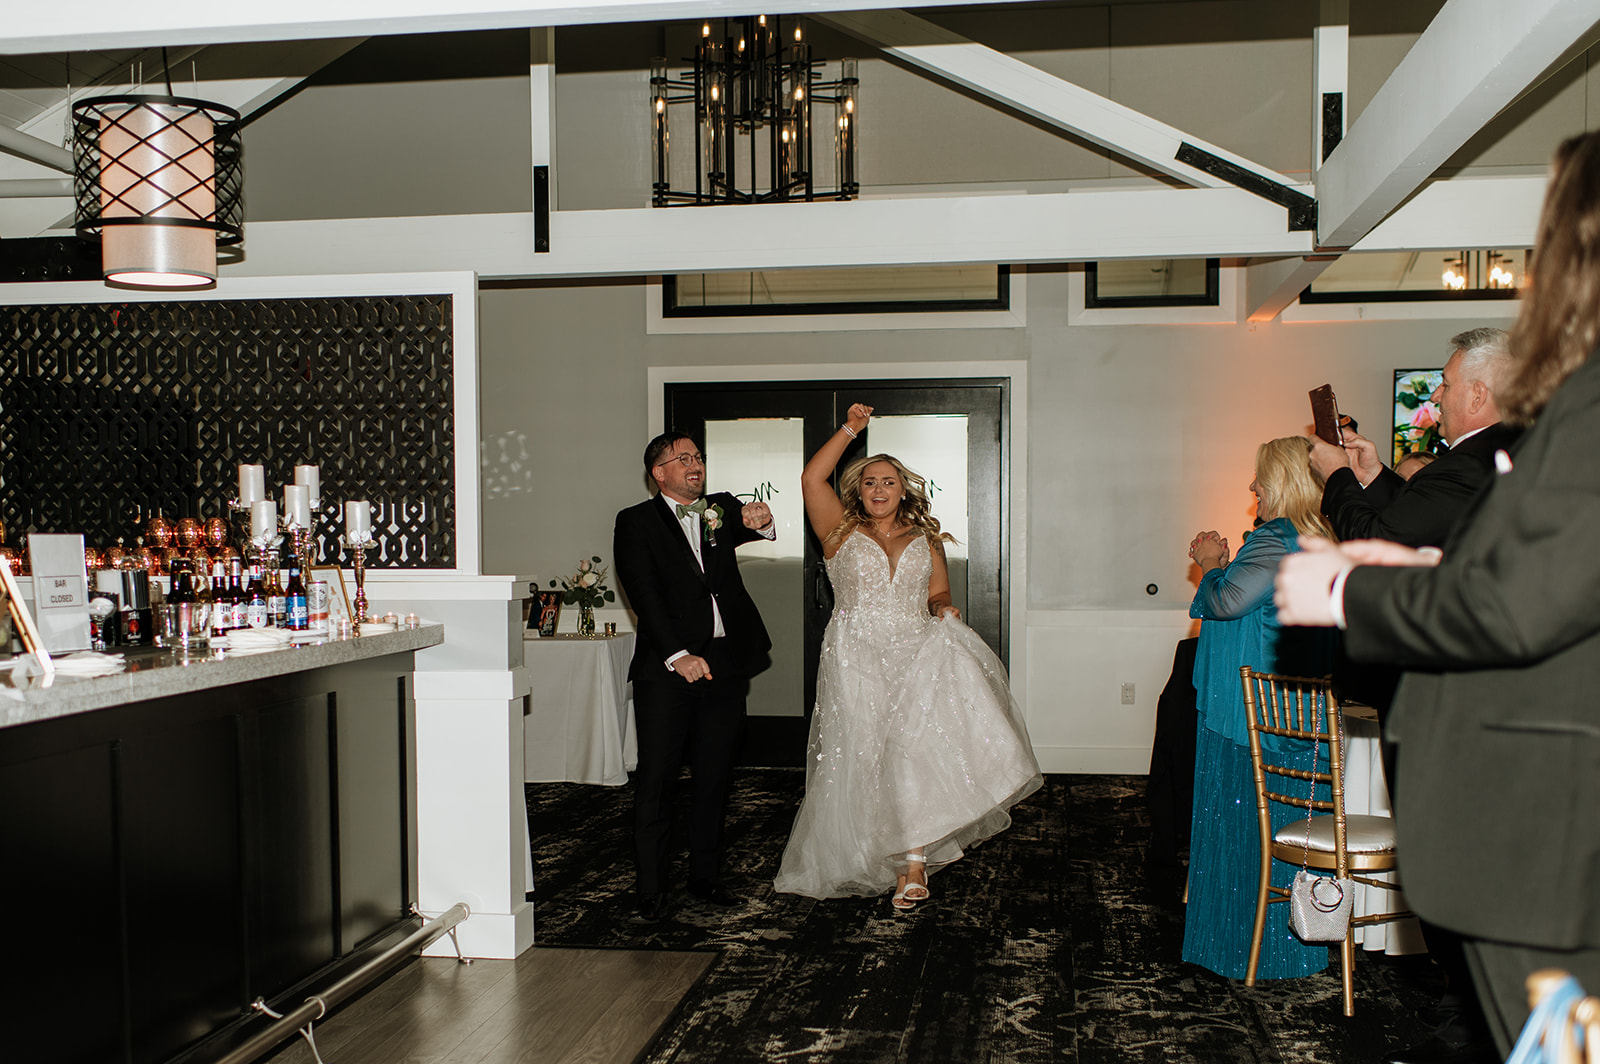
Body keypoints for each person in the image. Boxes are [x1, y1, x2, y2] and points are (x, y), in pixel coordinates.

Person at [1275, 130, 1600, 1057]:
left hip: (1537, 816)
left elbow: (1512, 602)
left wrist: (1346, 592)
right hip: (1535, 798)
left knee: (1556, 1049)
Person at [773, 403, 1040, 910]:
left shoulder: (926, 536)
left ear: (904, 489)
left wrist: (945, 610)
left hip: (916, 651)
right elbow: (811, 476)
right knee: (863, 752)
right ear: (858, 489)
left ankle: (912, 862)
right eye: (870, 481)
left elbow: (937, 593)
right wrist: (852, 429)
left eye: (889, 482)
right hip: (855, 655)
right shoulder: (838, 531)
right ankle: (861, 849)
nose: (878, 489)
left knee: (910, 752)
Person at [1182, 437, 1337, 980]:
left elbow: (1228, 602)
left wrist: (1208, 565)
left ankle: (1240, 949)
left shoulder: (1277, 537)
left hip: (1253, 717)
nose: (1252, 488)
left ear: (1282, 482)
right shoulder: (1323, 539)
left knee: (1245, 829)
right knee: (1292, 829)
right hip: (1302, 711)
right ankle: (1298, 947)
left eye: (1259, 479)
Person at [613, 432, 776, 922]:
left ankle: (705, 878)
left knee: (714, 777)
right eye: (681, 459)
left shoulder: (719, 509)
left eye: (698, 457)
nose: (694, 464)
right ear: (658, 473)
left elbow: (755, 525)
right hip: (668, 672)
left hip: (724, 666)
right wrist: (678, 654)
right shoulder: (635, 522)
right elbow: (642, 592)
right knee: (657, 780)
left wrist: (762, 520)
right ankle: (651, 889)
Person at [1309, 328, 1521, 549]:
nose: (1435, 396)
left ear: (1477, 396)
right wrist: (1372, 475)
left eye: (1446, 385)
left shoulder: (1467, 466)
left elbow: (1379, 545)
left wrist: (1336, 473)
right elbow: (1419, 518)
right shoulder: (1512, 448)